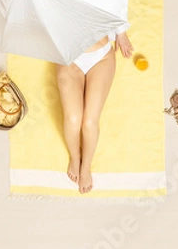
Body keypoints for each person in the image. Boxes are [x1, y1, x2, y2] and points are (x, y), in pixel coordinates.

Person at [55, 27, 134, 194]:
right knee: (73, 119)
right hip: (69, 58)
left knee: (90, 122)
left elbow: (116, 1)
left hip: (101, 57)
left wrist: (121, 32)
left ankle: (86, 167)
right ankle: (75, 158)